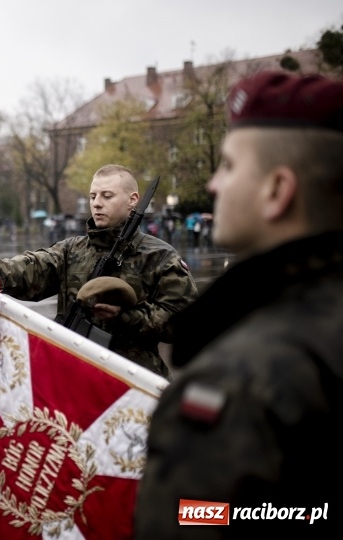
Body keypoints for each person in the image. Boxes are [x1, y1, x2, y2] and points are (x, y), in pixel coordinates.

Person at [135, 72, 343, 537]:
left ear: (277, 191)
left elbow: (194, 516)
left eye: (228, 166)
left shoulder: (243, 377)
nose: (213, 184)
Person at [0, 164, 198, 377]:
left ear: (133, 200)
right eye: (92, 196)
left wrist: (125, 317)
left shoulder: (160, 256)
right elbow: (28, 268)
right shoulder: (72, 250)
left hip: (131, 384)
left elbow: (185, 325)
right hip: (75, 378)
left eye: (106, 196)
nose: (97, 203)